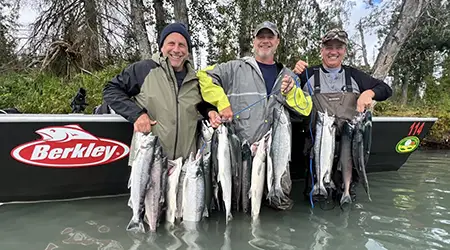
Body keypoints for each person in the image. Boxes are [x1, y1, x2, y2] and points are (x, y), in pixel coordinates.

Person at [294, 28, 393, 204]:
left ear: (344, 50)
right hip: (316, 149)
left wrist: (369, 93)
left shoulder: (354, 75)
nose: (333, 51)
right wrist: (294, 74)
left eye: (338, 47)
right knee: (315, 198)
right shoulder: (307, 74)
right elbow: (287, 94)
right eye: (329, 47)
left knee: (344, 200)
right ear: (321, 49)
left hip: (347, 148)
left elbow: (385, 89)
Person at [103, 22, 218, 163]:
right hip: (149, 163)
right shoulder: (143, 70)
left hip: (186, 167)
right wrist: (137, 115)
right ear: (162, 47)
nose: (176, 50)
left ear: (188, 51)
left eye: (182, 45)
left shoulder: (197, 79)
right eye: (171, 43)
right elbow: (111, 90)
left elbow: (201, 105)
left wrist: (211, 111)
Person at [197, 21, 313, 146]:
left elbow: (305, 110)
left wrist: (291, 93)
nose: (265, 41)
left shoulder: (289, 76)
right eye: (261, 37)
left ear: (277, 41)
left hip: (274, 158)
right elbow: (203, 76)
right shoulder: (233, 68)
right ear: (254, 41)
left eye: (270, 37)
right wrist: (221, 103)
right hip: (238, 158)